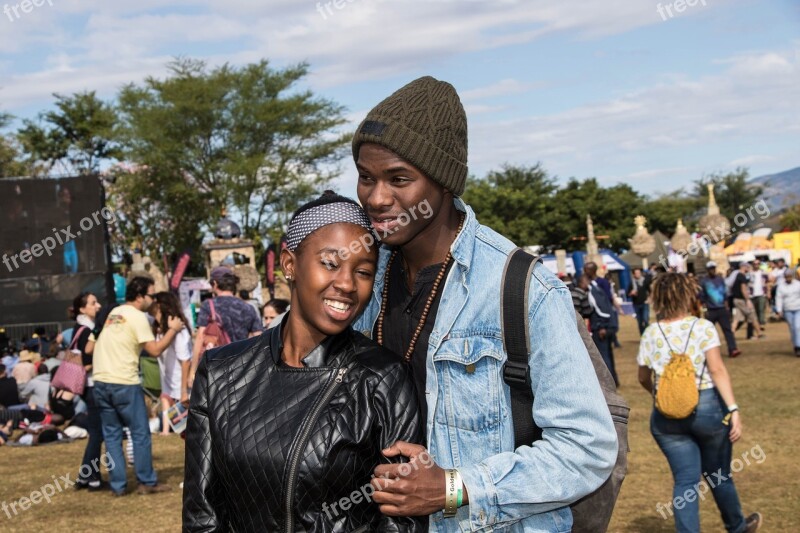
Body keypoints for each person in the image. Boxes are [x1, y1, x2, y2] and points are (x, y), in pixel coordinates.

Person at [350, 76, 617, 530]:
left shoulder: (522, 288)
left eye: (399, 179)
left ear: (444, 182)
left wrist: (454, 487)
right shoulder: (364, 281)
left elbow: (586, 448)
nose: (376, 198)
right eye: (366, 177)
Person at [183, 192, 425, 532]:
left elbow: (401, 521)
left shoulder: (384, 378)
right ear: (289, 265)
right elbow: (202, 517)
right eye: (330, 263)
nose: (346, 284)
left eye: (364, 271)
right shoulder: (220, 372)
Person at [637, 272, 762, 533]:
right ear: (687, 295)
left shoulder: (651, 332)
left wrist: (663, 395)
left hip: (666, 418)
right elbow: (717, 370)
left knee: (685, 482)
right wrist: (733, 408)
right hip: (706, 408)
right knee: (718, 476)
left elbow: (643, 377)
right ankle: (737, 526)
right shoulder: (702, 327)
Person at [93, 277, 182, 496]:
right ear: (141, 296)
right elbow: (154, 350)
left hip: (101, 380)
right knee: (140, 432)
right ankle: (146, 481)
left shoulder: (115, 314)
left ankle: (118, 485)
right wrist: (173, 330)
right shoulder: (137, 316)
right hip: (124, 382)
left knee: (112, 435)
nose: (153, 301)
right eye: (151, 295)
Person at [188, 266, 263, 386]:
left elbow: (200, 338)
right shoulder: (249, 308)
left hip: (216, 371)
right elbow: (259, 340)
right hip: (242, 370)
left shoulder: (208, 305)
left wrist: (192, 371)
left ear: (215, 283)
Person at [67, 292, 105, 491]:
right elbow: (86, 362)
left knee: (96, 432)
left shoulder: (78, 328)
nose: (97, 306)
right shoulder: (86, 330)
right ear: (82, 309)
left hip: (86, 387)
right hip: (91, 385)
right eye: (93, 303)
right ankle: (91, 477)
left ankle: (86, 476)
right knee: (97, 433)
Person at [149, 292, 193, 435]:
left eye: (154, 301)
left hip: (180, 383)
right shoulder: (158, 328)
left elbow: (185, 360)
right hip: (168, 382)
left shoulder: (179, 328)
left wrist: (183, 391)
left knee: (188, 429)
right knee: (166, 399)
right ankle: (166, 431)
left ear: (161, 305)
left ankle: (169, 430)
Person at [587, 264, 620, 386]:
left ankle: (610, 382)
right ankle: (614, 380)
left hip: (602, 323)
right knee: (608, 354)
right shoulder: (597, 283)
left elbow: (603, 304)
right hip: (608, 321)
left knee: (604, 355)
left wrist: (602, 325)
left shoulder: (598, 284)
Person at [699, 262, 741, 358]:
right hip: (711, 310)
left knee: (727, 330)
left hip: (722, 309)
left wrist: (727, 307)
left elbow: (725, 294)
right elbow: (701, 297)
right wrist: (705, 310)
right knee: (707, 332)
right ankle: (704, 352)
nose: (712, 270)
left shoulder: (720, 279)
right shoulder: (704, 282)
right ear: (707, 270)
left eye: (713, 268)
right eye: (710, 269)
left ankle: (733, 349)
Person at [731, 263, 763, 339]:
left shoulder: (738, 276)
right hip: (742, 300)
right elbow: (743, 289)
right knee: (752, 314)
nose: (748, 269)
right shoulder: (742, 276)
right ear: (743, 267)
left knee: (737, 318)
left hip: (736, 300)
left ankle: (731, 333)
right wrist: (747, 300)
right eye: (747, 267)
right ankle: (759, 333)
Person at [775, 269, 800, 356]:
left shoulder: (798, 284)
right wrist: (779, 310)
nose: (788, 278)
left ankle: (798, 346)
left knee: (797, 327)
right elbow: (779, 298)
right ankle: (795, 344)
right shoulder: (781, 286)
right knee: (792, 328)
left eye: (789, 276)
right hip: (787, 309)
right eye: (786, 276)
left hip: (798, 308)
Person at [629, 267, 652, 335]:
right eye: (636, 273)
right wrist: (631, 293)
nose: (638, 274)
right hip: (636, 304)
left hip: (645, 303)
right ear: (633, 274)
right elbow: (628, 294)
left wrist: (649, 299)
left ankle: (648, 334)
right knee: (640, 321)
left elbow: (650, 291)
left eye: (639, 273)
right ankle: (642, 335)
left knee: (645, 320)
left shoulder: (644, 281)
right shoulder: (631, 283)